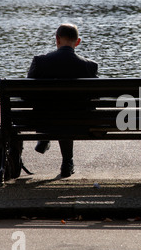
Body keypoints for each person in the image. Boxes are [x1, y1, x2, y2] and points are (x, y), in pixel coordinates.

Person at [27, 23, 98, 177]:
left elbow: (26, 96)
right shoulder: (89, 66)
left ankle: (45, 136)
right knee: (67, 112)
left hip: (43, 120)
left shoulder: (40, 62)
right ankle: (67, 163)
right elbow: (95, 98)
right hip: (80, 121)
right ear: (77, 42)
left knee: (53, 112)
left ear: (57, 39)